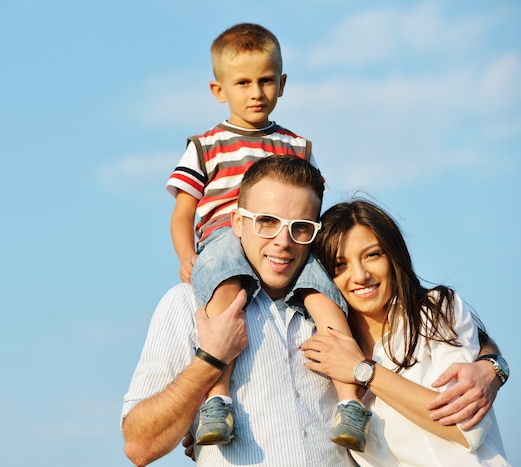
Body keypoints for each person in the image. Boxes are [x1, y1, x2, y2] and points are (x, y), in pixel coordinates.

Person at [122, 156, 501, 467]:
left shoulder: (339, 315)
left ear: (314, 232)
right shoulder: (189, 306)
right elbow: (139, 446)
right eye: (266, 222)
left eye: (299, 227)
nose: (282, 242)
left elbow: (432, 328)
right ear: (238, 222)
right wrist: (210, 360)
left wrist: (492, 366)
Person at [166, 22, 368, 450]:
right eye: (242, 82)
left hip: (291, 243)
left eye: (265, 80)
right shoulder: (206, 146)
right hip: (226, 239)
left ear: (282, 83)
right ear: (219, 90)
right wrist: (187, 255)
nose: (255, 92)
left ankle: (350, 402)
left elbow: (312, 206)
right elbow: (183, 212)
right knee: (228, 298)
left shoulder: (296, 146)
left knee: (325, 296)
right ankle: (217, 399)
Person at [302, 200, 510, 466]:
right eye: (339, 264)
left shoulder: (434, 312)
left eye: (372, 254)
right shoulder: (329, 357)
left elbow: (465, 426)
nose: (360, 275)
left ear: (393, 256)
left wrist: (363, 371)